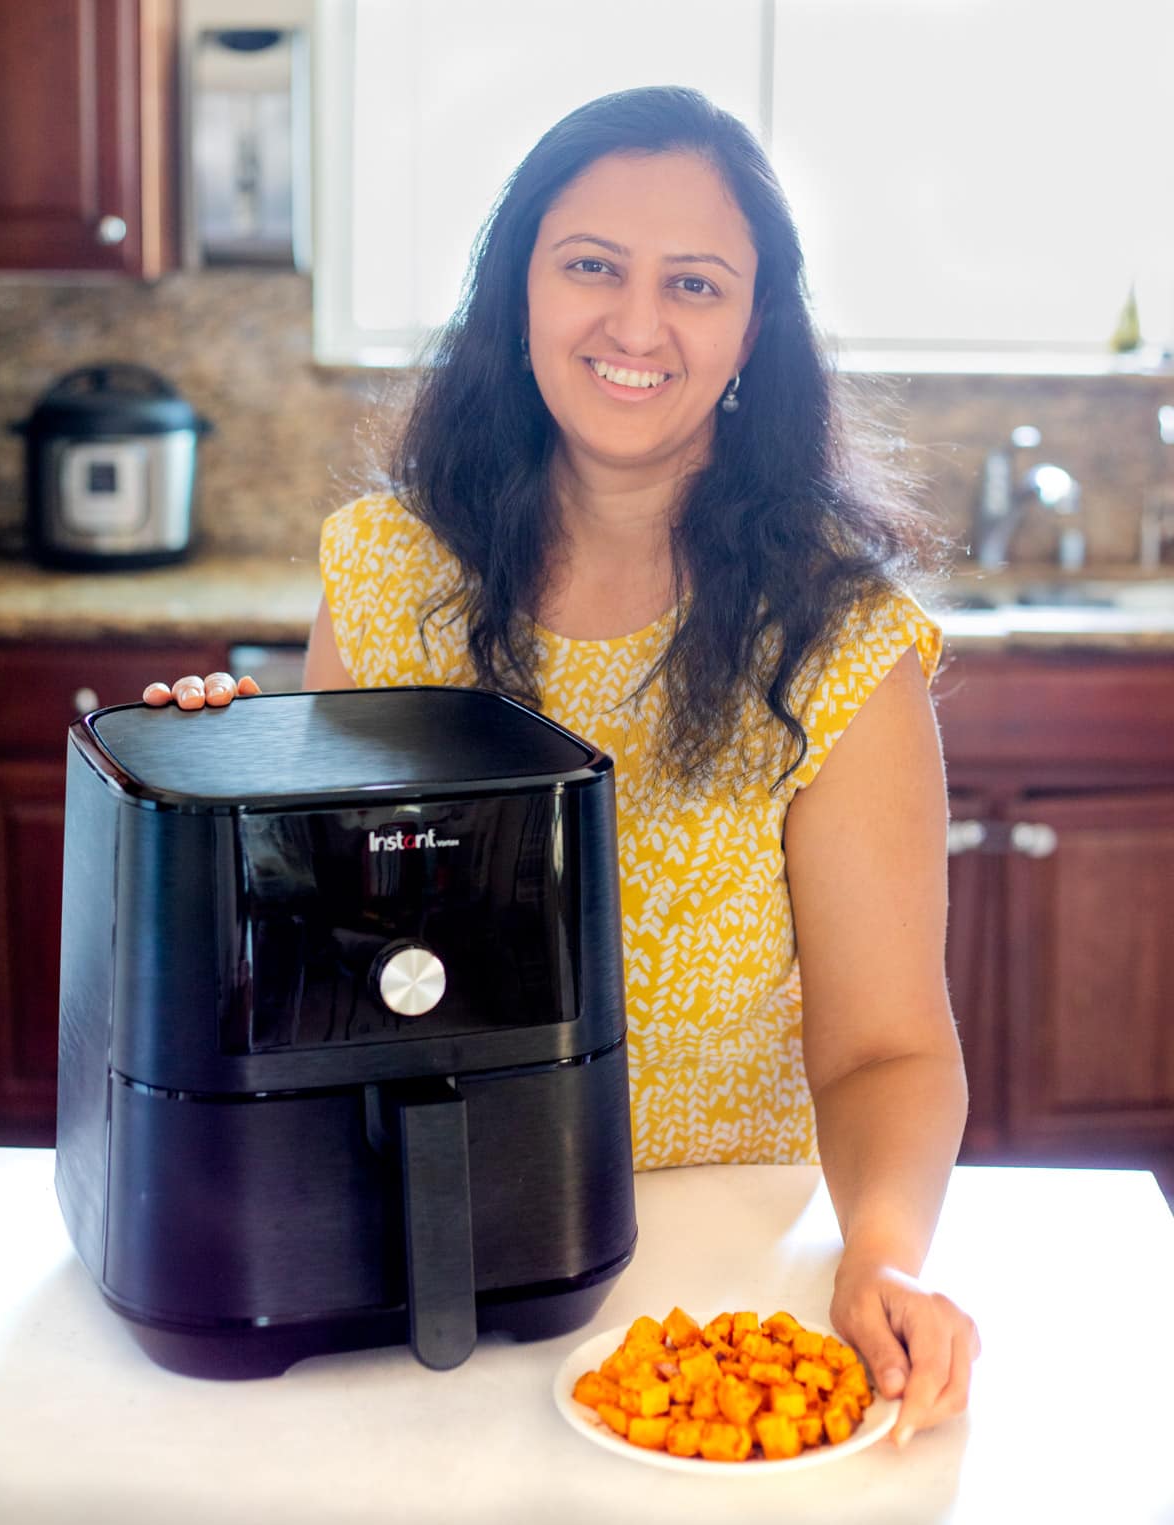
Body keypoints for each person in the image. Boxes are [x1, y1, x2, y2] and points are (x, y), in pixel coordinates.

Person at [145, 86, 979, 1444]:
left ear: (753, 327)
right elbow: (324, 972)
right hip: (421, 1247)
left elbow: (887, 1046)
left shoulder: (840, 646)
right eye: (590, 263)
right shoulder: (387, 579)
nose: (636, 324)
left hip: (714, 1290)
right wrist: (209, 806)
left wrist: (882, 1254)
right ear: (517, 290)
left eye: (694, 282)